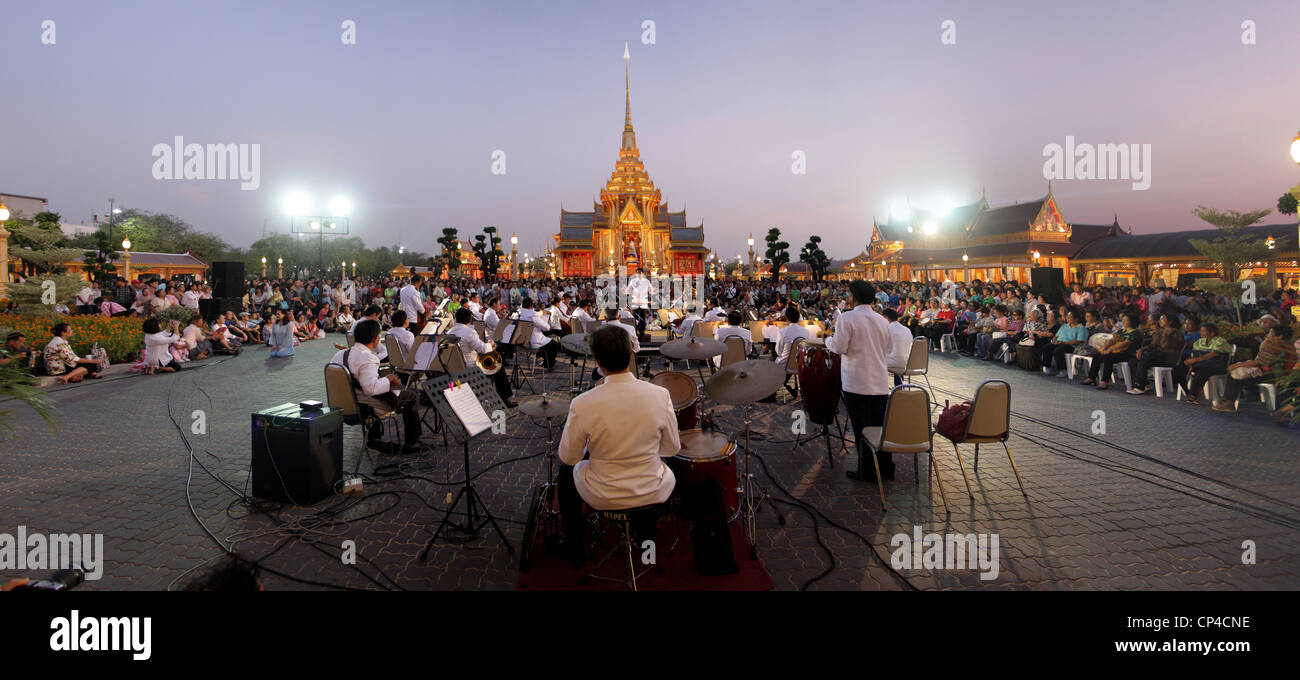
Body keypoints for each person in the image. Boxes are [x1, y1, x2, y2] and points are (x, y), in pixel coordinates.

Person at [556, 325, 679, 567]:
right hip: (650, 488)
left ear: (598, 363)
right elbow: (671, 449)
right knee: (659, 470)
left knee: (565, 474)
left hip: (604, 493)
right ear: (632, 354)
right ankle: (647, 551)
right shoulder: (660, 394)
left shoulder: (582, 403)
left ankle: (575, 548)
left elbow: (569, 458)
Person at [826, 281, 893, 482]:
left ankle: (868, 471)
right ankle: (886, 468)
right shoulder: (882, 320)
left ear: (854, 297)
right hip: (879, 382)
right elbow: (888, 349)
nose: (847, 298)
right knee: (880, 427)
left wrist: (828, 340)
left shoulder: (847, 318)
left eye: (848, 294)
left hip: (856, 382)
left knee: (862, 429)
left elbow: (838, 347)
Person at [328, 319, 423, 453]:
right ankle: (412, 443)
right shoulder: (368, 358)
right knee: (411, 396)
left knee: (372, 391)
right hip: (364, 408)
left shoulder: (339, 355)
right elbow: (371, 388)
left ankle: (374, 437)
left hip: (342, 408)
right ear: (376, 339)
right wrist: (389, 379)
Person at [1214, 325, 1296, 412]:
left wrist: (1236, 365)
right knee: (1242, 375)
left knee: (1236, 376)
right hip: (1279, 373)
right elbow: (1261, 353)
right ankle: (1245, 396)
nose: (1268, 335)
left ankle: (1230, 403)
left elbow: (1259, 362)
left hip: (1275, 375)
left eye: (1271, 333)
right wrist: (1267, 340)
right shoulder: (1288, 344)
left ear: (1280, 336)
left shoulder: (1278, 346)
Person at [447, 307, 515, 407]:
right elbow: (483, 349)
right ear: (470, 320)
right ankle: (505, 399)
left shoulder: (449, 332)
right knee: (498, 368)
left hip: (455, 367)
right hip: (471, 367)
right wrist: (491, 344)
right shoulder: (469, 332)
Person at [1174, 322, 1230, 406]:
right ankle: (1190, 392)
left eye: (1204, 331)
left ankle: (1193, 395)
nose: (1201, 333)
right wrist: (1191, 361)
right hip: (1202, 365)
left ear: (1212, 333)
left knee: (1202, 371)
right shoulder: (1200, 341)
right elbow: (1195, 353)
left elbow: (1214, 353)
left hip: (1217, 366)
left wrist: (1196, 360)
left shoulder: (1220, 341)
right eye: (1201, 331)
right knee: (1182, 369)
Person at [1083, 313, 1142, 389]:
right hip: (1116, 351)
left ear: (1132, 322)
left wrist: (1110, 349)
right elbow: (1112, 340)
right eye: (1122, 320)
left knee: (1108, 358)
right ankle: (1091, 378)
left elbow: (1125, 344)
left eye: (1125, 320)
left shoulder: (1135, 332)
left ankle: (1105, 381)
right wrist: (1104, 348)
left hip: (1128, 353)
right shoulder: (1122, 331)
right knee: (1097, 355)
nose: (1123, 322)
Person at [881, 308, 914, 386]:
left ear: (886, 318)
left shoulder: (888, 329)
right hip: (908, 363)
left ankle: (878, 390)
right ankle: (898, 388)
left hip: (896, 364)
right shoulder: (906, 329)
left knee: (874, 361)